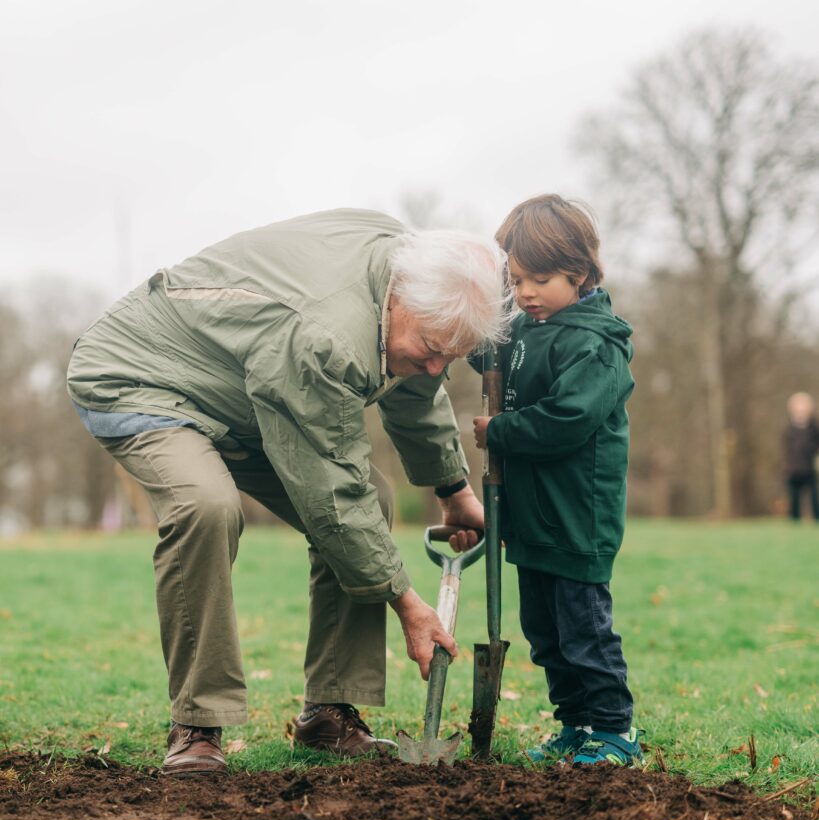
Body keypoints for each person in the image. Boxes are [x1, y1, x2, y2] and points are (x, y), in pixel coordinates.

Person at [67, 208, 509, 775]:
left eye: (449, 355)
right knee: (207, 506)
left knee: (373, 499)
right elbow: (332, 494)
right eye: (430, 345)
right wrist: (406, 601)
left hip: (242, 389)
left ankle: (329, 711)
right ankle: (197, 724)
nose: (434, 365)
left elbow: (411, 383)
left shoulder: (406, 271)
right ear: (399, 299)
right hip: (140, 376)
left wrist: (452, 488)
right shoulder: (327, 336)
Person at [472, 194, 642, 767]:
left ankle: (615, 729)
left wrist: (499, 430)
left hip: (575, 516)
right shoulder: (522, 329)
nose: (525, 293)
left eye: (540, 279)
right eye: (516, 280)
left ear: (582, 273)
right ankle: (573, 724)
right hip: (531, 516)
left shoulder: (596, 345)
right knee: (545, 634)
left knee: (584, 632)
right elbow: (488, 354)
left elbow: (566, 422)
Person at [782, 392, 819, 521]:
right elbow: (786, 448)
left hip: (809, 466)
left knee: (814, 495)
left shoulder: (814, 427)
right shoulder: (789, 428)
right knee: (794, 496)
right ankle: (794, 519)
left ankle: (816, 517)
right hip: (794, 467)